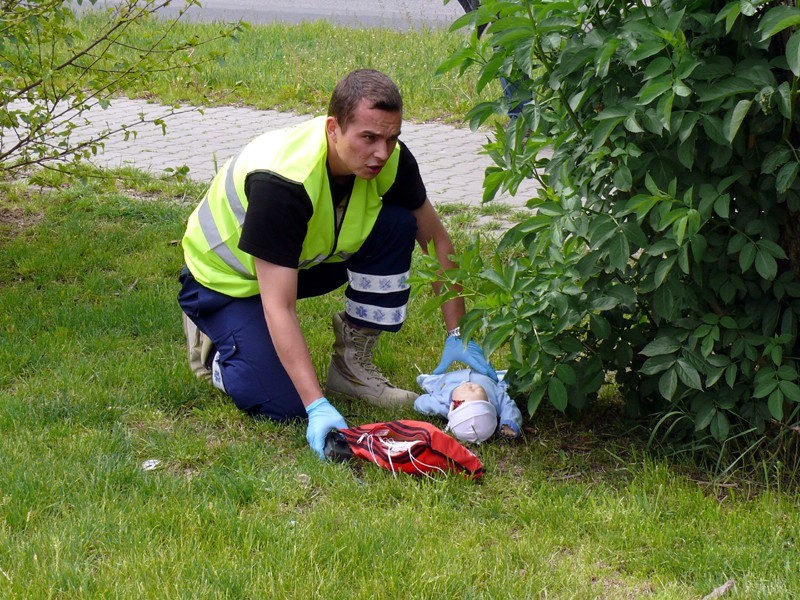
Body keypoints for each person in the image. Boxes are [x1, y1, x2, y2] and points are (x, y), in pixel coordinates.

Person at [178, 69, 497, 459]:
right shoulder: (283, 183)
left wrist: (458, 334)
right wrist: (315, 405)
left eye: (391, 137)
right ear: (333, 128)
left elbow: (436, 240)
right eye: (369, 138)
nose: (382, 152)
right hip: (226, 279)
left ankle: (351, 368)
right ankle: (214, 348)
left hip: (302, 260)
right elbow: (279, 306)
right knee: (283, 404)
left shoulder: (391, 160)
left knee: (398, 224)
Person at [414, 369, 522, 442]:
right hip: (486, 375)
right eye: (481, 398)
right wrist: (508, 424)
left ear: (455, 405)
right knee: (512, 375)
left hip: (446, 381)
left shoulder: (443, 402)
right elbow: (508, 406)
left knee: (428, 382)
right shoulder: (496, 397)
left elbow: (421, 403)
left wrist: (428, 403)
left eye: (466, 398)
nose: (472, 388)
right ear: (489, 403)